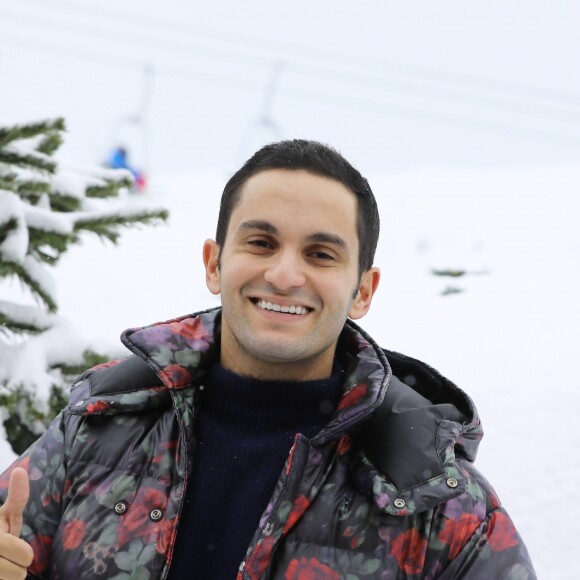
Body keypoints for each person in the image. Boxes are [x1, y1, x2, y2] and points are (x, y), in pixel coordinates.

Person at [0, 140, 536, 579]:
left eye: (320, 254)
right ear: (214, 263)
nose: (284, 274)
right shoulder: (97, 429)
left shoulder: (437, 504)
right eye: (260, 242)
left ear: (363, 291)